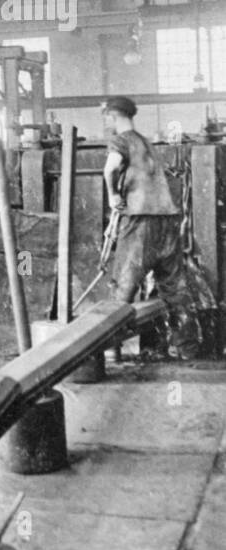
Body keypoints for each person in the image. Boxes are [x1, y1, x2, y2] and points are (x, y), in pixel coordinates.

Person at [101, 96, 200, 357]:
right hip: (167, 219)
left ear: (112, 115)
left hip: (140, 220)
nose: (105, 122)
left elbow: (109, 169)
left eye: (106, 117)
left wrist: (113, 196)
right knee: (175, 288)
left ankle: (111, 349)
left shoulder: (120, 141)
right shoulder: (147, 142)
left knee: (124, 284)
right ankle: (187, 348)